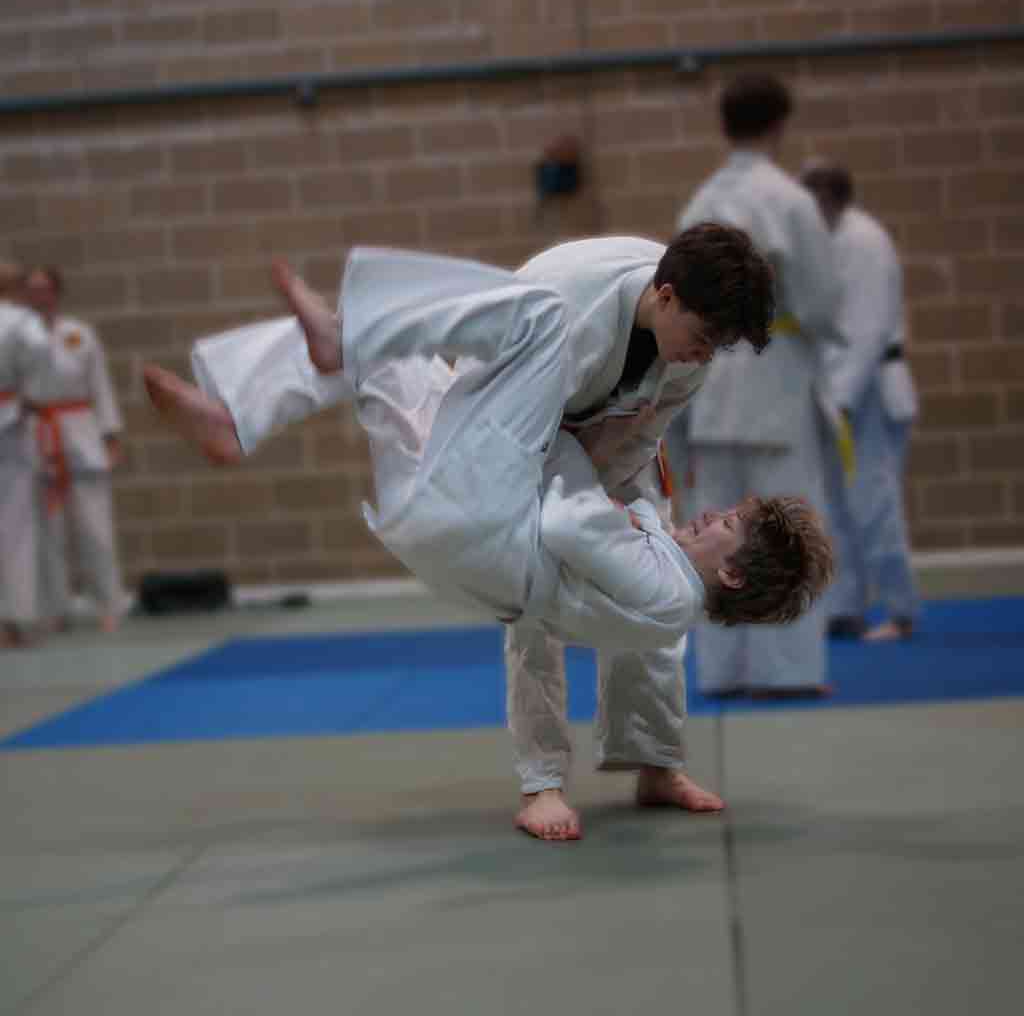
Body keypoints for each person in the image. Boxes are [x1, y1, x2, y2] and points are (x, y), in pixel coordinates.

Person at [144, 240, 832, 840]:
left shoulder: (689, 348)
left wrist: (623, 507)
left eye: (718, 347)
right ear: (667, 293)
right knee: (561, 576)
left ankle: (654, 762)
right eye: (705, 336)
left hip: (548, 479)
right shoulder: (570, 292)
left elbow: (641, 439)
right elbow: (550, 471)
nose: (705, 355)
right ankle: (542, 781)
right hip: (508, 429)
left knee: (655, 584)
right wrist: (602, 508)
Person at [667, 72, 846, 698]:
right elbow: (824, 304)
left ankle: (721, 670)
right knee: (786, 532)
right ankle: (788, 672)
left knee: (711, 533)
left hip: (710, 384)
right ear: (778, 126)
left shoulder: (700, 203)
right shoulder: (790, 202)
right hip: (777, 382)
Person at [801, 160, 920, 642]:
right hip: (838, 392)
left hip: (867, 392)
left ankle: (900, 609)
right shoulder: (830, 241)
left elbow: (867, 331)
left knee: (873, 501)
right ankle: (845, 606)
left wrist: (841, 400)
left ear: (830, 199)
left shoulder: (864, 241)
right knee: (834, 504)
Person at [21, 266, 125, 635]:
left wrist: (111, 435)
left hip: (81, 433)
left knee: (94, 527)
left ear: (57, 292)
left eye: (45, 289)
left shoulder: (80, 335)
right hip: (36, 436)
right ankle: (55, 608)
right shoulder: (17, 338)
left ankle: (109, 604)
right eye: (32, 290)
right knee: (48, 530)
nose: (39, 296)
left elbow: (101, 388)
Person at [0, 262, 51, 648]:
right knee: (15, 525)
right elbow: (39, 350)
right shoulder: (21, 322)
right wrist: (31, 395)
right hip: (10, 422)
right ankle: (16, 619)